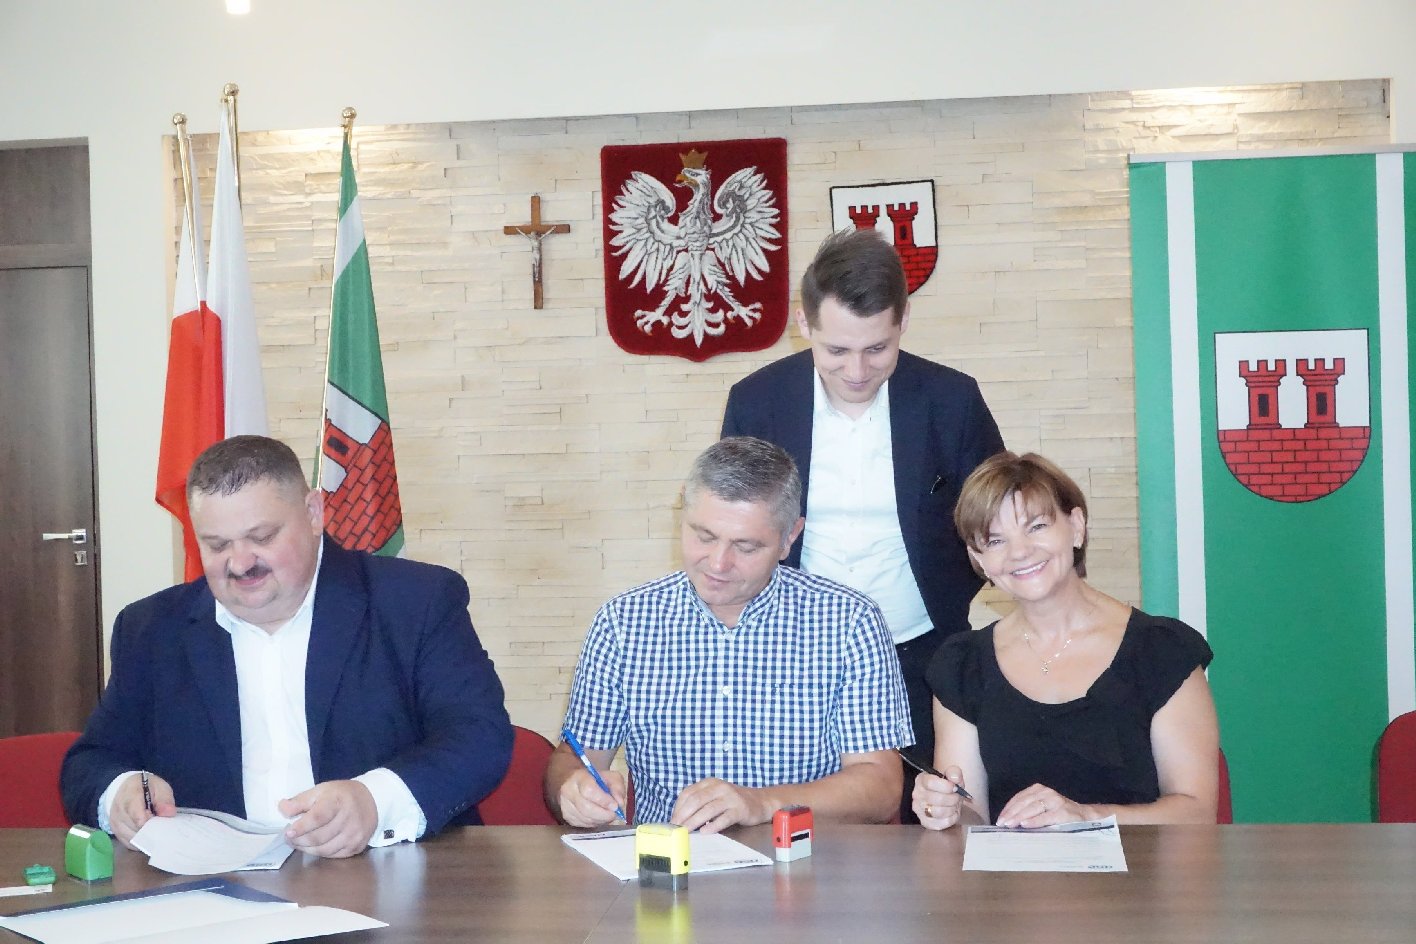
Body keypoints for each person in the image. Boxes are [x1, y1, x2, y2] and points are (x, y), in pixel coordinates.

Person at [61, 435, 514, 858]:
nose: (241, 563)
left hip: (391, 872)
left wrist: (375, 802)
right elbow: (92, 761)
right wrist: (119, 792)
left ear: (314, 513)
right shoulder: (151, 629)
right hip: (216, 886)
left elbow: (479, 737)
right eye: (217, 545)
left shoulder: (416, 602)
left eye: (262, 537)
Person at [721, 227, 1003, 820]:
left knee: (925, 819)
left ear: (903, 322)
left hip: (920, 651)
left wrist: (950, 600)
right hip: (791, 655)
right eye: (836, 351)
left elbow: (992, 523)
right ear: (804, 323)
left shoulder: (951, 401)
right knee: (794, 816)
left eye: (877, 349)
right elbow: (734, 526)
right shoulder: (757, 402)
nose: (856, 370)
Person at [546, 436, 912, 832]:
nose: (718, 563)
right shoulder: (624, 622)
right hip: (670, 861)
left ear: (789, 537)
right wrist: (574, 790)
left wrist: (763, 803)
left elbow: (881, 787)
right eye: (704, 536)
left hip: (806, 860)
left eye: (746, 547)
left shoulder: (849, 622)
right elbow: (574, 758)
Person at [911, 451, 1219, 828]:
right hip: (1011, 868)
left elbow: (1196, 812)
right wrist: (947, 811)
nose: (1019, 552)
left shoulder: (1162, 651)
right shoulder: (962, 666)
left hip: (1139, 866)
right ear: (979, 559)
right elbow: (973, 820)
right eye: (995, 541)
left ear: (1076, 526)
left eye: (1036, 526)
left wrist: (1087, 817)